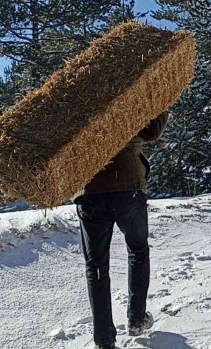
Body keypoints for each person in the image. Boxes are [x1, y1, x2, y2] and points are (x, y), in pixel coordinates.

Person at [74, 112, 168, 349]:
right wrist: (162, 102)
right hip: (127, 185)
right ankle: (136, 318)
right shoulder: (126, 91)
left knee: (95, 265)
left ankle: (104, 340)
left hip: (89, 189)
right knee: (138, 250)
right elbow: (152, 131)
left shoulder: (77, 102)